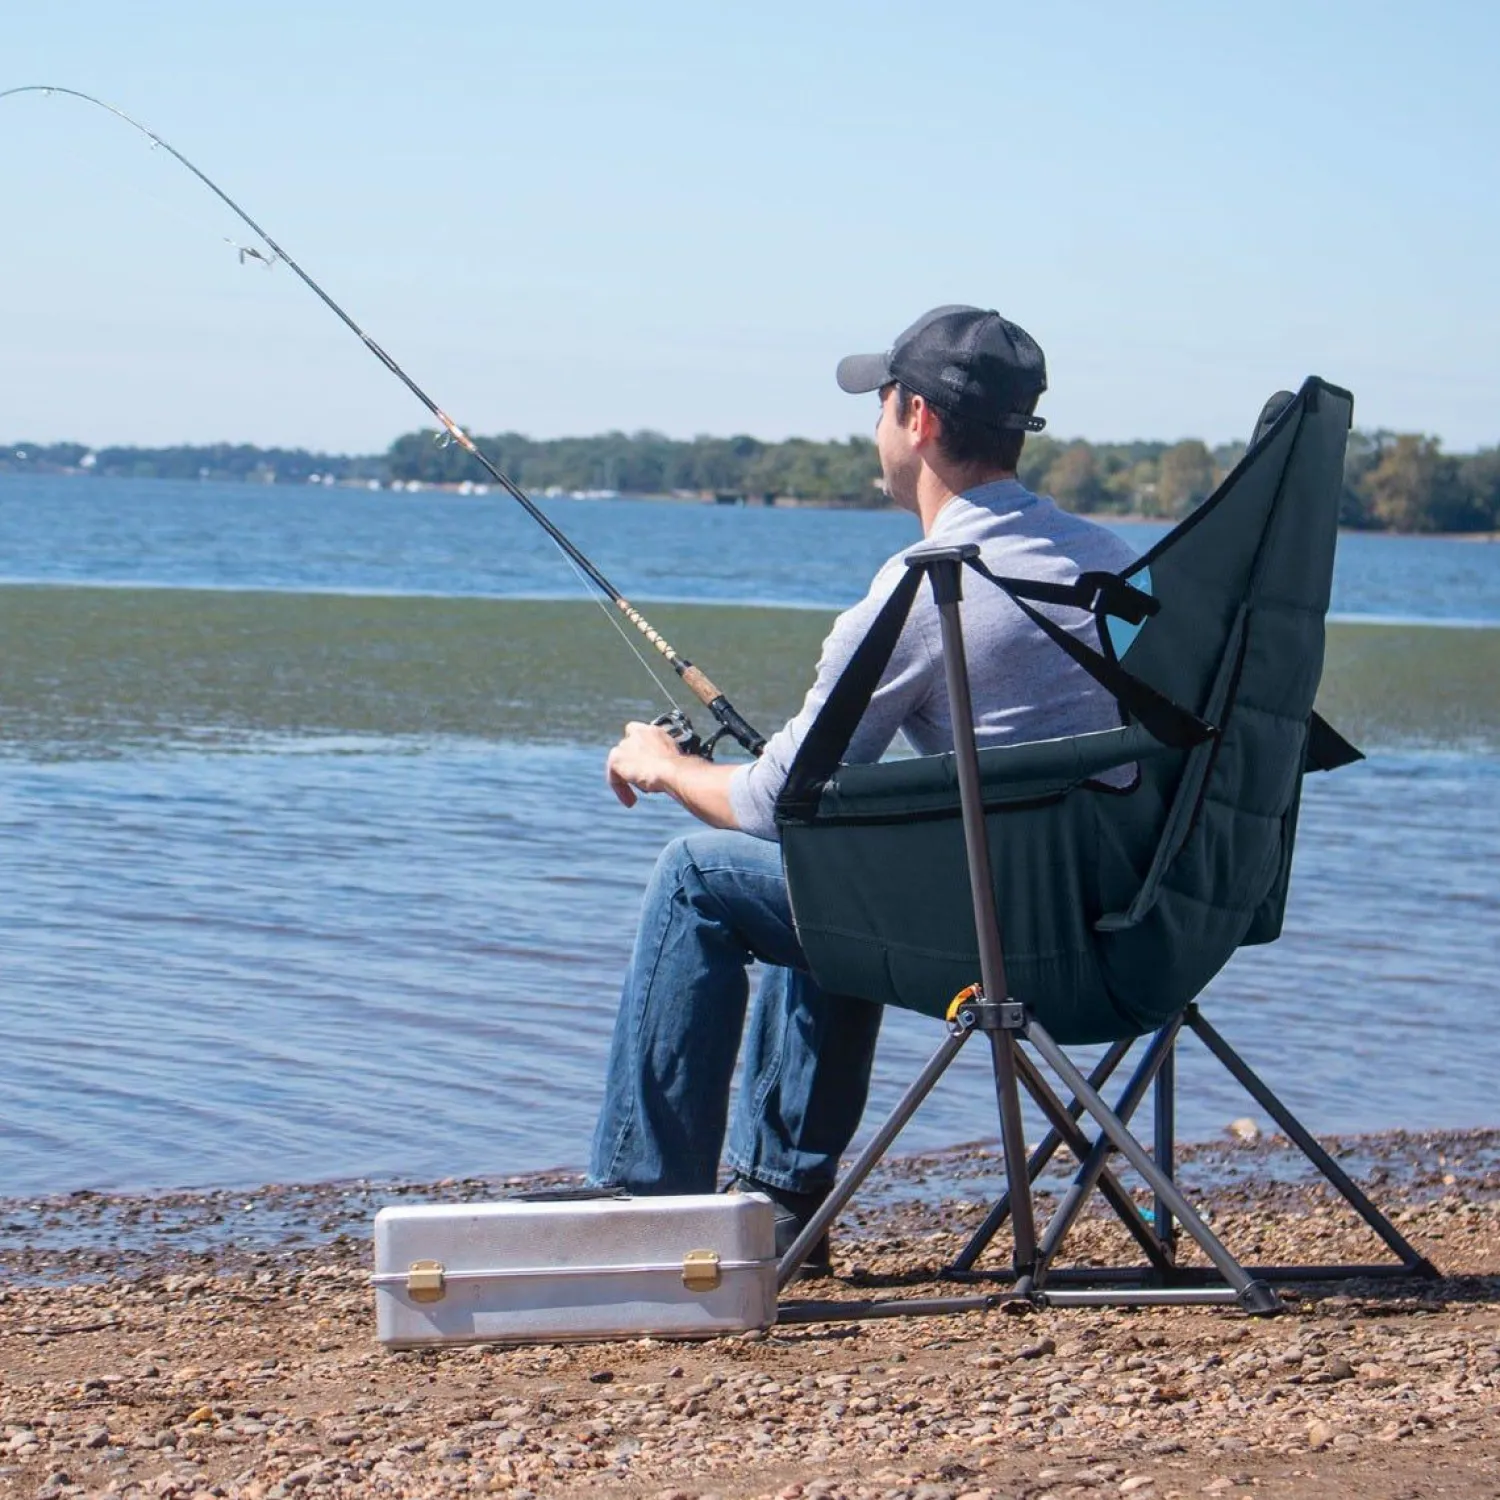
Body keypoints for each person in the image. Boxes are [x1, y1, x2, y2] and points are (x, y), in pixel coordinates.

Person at [590, 305, 1139, 1263]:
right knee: (836, 853)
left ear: (916, 418)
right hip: (1138, 929)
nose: (875, 425)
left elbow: (771, 803)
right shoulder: (1118, 563)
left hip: (1015, 953)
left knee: (697, 874)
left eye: (880, 403)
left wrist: (667, 767)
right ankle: (778, 1198)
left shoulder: (924, 590)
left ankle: (649, 1206)